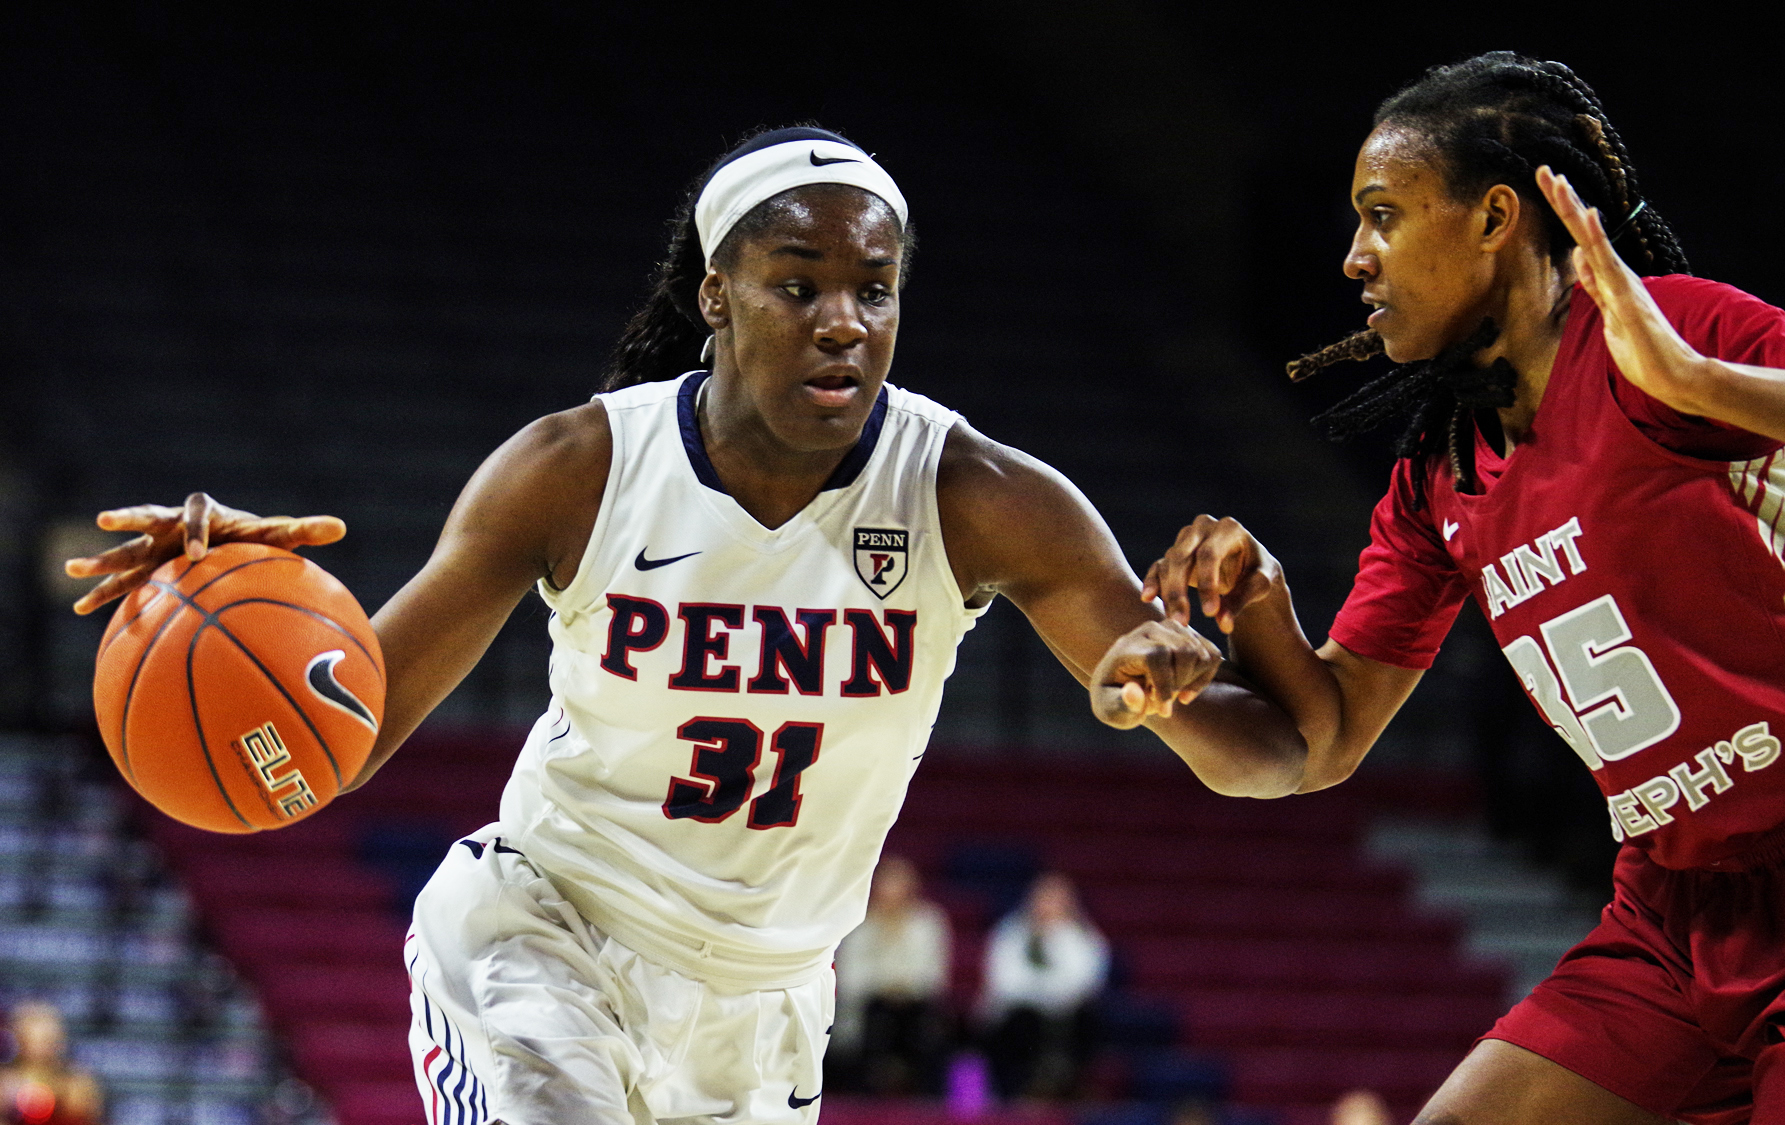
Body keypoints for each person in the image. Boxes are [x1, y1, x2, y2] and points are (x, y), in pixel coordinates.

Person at [64, 125, 1308, 1124]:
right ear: (717, 294)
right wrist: (240, 620)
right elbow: (349, 734)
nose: (843, 321)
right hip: (549, 939)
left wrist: (1207, 651)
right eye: (799, 285)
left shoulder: (978, 497)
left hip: (767, 1006)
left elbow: (1264, 759)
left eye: (874, 290)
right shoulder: (576, 468)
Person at [1119, 54, 1785, 1125]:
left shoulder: (1681, 335)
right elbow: (1316, 745)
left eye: (1383, 215)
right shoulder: (1437, 472)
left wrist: (1700, 386)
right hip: (1667, 915)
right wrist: (1242, 624)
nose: (1353, 257)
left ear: (1495, 217)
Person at [976, 872, 1108, 1100]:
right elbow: (1004, 983)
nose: (1047, 907)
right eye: (1043, 898)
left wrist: (1053, 943)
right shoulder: (1010, 932)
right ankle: (1020, 1090)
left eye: (1055, 900)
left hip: (1066, 1013)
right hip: (1018, 1012)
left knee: (1088, 1020)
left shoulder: (1083, 937)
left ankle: (1067, 1088)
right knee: (1022, 1022)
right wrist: (1045, 992)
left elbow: (1082, 984)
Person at [827, 854, 952, 1095]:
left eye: (899, 883)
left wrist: (901, 987)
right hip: (867, 1007)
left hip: (914, 1006)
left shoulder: (929, 922)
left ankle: (923, 1096)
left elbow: (932, 975)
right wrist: (885, 986)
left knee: (920, 1020)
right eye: (887, 882)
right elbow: (849, 977)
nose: (892, 891)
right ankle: (866, 1093)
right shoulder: (857, 922)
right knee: (879, 1012)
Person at [0, 1001, 101, 1125]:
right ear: (20, 1038)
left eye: (46, 1038)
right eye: (34, 1037)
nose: (41, 1046)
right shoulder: (4, 1082)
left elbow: (89, 1117)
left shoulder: (76, 1083)